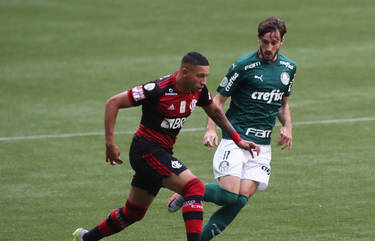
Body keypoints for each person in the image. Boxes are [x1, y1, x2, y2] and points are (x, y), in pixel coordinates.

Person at [72, 52, 260, 241]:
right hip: (146, 151)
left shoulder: (198, 90)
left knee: (133, 212)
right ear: (185, 72)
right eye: (200, 76)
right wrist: (110, 144)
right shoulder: (157, 90)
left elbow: (215, 111)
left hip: (160, 154)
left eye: (206, 76)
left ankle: (86, 238)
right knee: (194, 187)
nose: (204, 81)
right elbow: (113, 103)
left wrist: (237, 140)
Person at [167, 17, 296, 240]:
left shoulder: (288, 69)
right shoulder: (243, 66)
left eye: (274, 42)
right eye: (265, 42)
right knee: (228, 195)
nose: (268, 47)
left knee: (239, 201)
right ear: (259, 39)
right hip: (235, 139)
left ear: (282, 41)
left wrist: (288, 126)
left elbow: (282, 103)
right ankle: (188, 189)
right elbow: (216, 100)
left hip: (261, 147)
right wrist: (210, 129)